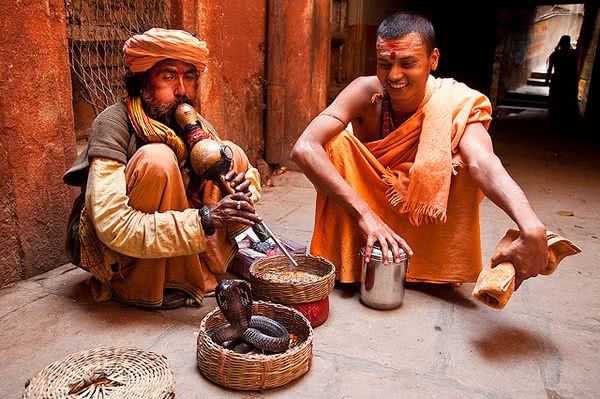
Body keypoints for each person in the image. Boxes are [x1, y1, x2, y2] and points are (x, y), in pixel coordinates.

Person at [291, 13, 547, 289]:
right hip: (369, 202)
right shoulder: (366, 91)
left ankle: (429, 265)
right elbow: (304, 148)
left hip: (420, 210)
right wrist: (366, 216)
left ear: (433, 59)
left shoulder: (456, 100)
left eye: (407, 63)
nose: (394, 76)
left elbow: (484, 163)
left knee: (462, 165)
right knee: (335, 144)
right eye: (384, 64)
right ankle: (354, 256)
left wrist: (530, 225)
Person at [63, 28, 262, 309]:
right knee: (158, 159)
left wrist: (244, 193)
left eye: (189, 77)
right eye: (168, 77)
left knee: (230, 153)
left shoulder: (194, 125)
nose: (181, 89)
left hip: (178, 229)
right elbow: (111, 223)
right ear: (143, 83)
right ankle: (136, 283)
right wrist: (204, 220)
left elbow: (247, 176)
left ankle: (190, 268)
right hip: (116, 246)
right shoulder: (113, 123)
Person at [546, 35, 579, 128]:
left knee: (555, 101)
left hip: (557, 80)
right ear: (568, 42)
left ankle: (554, 122)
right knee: (567, 102)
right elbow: (575, 69)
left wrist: (547, 80)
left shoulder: (555, 54)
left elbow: (549, 69)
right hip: (569, 81)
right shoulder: (573, 54)